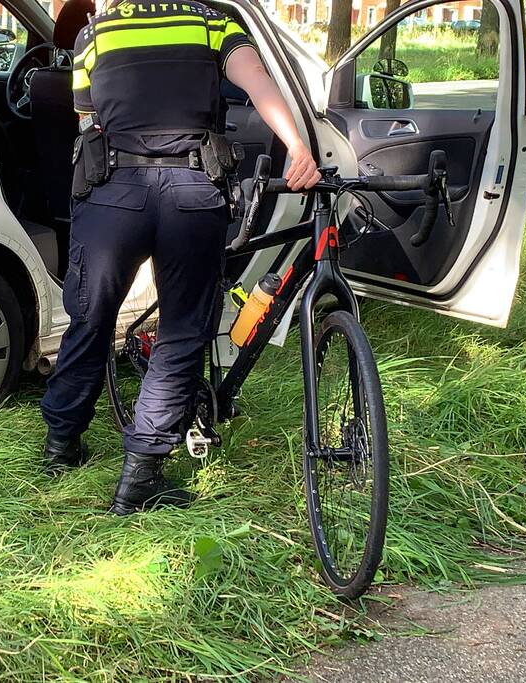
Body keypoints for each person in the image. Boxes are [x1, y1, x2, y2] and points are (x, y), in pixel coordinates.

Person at [40, 0, 321, 515]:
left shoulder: (95, 33)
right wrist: (298, 148)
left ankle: (61, 444)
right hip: (192, 192)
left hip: (113, 194)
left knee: (91, 319)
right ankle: (141, 474)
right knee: (183, 330)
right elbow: (257, 82)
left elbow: (89, 118)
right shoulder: (211, 22)